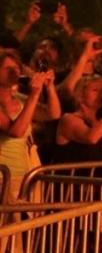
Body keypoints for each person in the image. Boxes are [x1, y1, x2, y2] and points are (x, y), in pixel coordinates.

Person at [0, 50, 60, 199]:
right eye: (8, 68)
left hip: (21, 176)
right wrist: (34, 95)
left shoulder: (19, 99)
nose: (14, 72)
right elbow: (16, 131)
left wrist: (50, 87)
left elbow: (53, 114)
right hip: (2, 178)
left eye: (16, 68)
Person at [55, 75, 102, 164]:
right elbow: (92, 137)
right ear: (81, 94)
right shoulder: (69, 119)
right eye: (95, 90)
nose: (101, 95)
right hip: (76, 176)